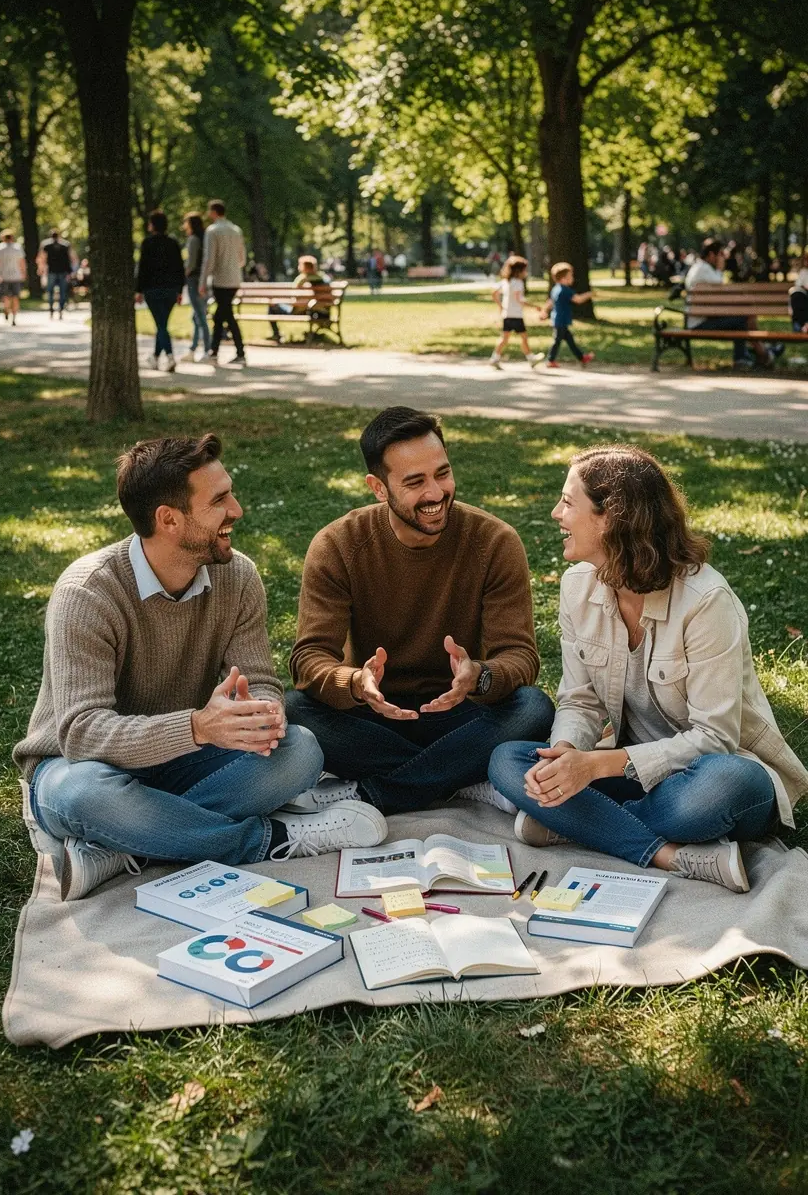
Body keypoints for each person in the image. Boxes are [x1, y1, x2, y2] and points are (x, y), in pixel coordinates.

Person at [14, 432, 387, 903]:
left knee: (301, 750)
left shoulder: (238, 577)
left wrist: (258, 715)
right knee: (83, 796)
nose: (237, 510)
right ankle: (265, 840)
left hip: (185, 760)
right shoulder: (88, 593)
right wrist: (197, 727)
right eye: (219, 500)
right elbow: (82, 733)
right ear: (169, 519)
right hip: (81, 767)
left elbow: (263, 681)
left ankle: (123, 846)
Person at [489, 445, 808, 893]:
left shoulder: (705, 601)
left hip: (711, 775)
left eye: (568, 501)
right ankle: (667, 854)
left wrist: (595, 768)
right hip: (630, 776)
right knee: (507, 761)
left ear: (610, 519)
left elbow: (716, 739)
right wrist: (565, 754)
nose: (556, 512)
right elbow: (579, 700)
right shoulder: (576, 586)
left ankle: (573, 824)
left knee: (724, 787)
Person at [284, 406, 554, 819]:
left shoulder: (495, 542)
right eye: (415, 482)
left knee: (533, 708)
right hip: (373, 716)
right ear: (378, 487)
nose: (435, 493)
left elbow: (520, 657)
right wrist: (356, 682)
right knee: (294, 709)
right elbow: (308, 660)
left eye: (442, 473)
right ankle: (460, 776)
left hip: (461, 714)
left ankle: (377, 794)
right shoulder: (338, 545)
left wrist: (478, 675)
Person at [684, 238, 780, 370]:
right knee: (742, 319)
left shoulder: (699, 267)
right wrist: (720, 268)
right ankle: (758, 353)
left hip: (702, 319)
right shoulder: (704, 269)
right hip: (700, 323)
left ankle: (757, 352)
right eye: (720, 255)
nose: (722, 258)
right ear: (712, 254)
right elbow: (720, 285)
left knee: (744, 314)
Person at [135, 210, 185, 372]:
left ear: (153, 225)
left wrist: (138, 290)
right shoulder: (173, 243)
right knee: (162, 323)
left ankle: (170, 356)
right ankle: (156, 357)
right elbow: (179, 268)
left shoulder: (147, 243)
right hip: (170, 289)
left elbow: (142, 268)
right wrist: (179, 289)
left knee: (161, 324)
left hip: (153, 289)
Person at [199, 199, 246, 366]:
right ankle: (215, 351)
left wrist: (202, 281)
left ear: (213, 212)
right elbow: (242, 258)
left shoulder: (213, 231)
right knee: (221, 315)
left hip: (220, 279)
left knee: (225, 315)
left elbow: (209, 259)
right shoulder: (236, 230)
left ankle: (237, 352)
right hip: (234, 278)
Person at [488, 255, 544, 370]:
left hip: (507, 314)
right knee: (523, 337)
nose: (526, 272)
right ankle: (530, 358)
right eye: (525, 270)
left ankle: (495, 358)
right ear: (519, 271)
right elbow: (520, 299)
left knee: (504, 338)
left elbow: (494, 293)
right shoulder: (518, 283)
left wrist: (501, 306)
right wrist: (535, 306)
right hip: (516, 315)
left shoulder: (506, 281)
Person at [540, 262, 595, 368]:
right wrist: (589, 294)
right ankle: (550, 360)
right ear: (563, 278)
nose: (572, 278)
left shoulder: (556, 288)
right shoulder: (565, 290)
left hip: (558, 319)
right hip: (561, 320)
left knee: (569, 340)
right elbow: (578, 300)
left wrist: (544, 311)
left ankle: (582, 358)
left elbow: (550, 302)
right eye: (570, 276)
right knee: (557, 341)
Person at [183, 212, 210, 362]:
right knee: (197, 316)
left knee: (200, 316)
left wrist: (183, 275)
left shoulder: (193, 240)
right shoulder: (205, 238)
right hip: (204, 279)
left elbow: (190, 263)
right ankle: (193, 348)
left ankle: (207, 349)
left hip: (194, 279)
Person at [38, 229, 74, 318]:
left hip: (51, 271)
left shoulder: (46, 245)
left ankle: (51, 309)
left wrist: (41, 269)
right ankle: (61, 309)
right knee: (62, 292)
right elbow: (71, 258)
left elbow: (42, 258)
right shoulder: (65, 245)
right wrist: (71, 271)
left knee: (50, 292)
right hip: (63, 271)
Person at [0, 229, 26, 325]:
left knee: (6, 296)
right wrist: (23, 273)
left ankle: (6, 309)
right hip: (16, 276)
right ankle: (14, 317)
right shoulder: (18, 247)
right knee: (15, 297)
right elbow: (22, 262)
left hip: (4, 276)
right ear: (12, 237)